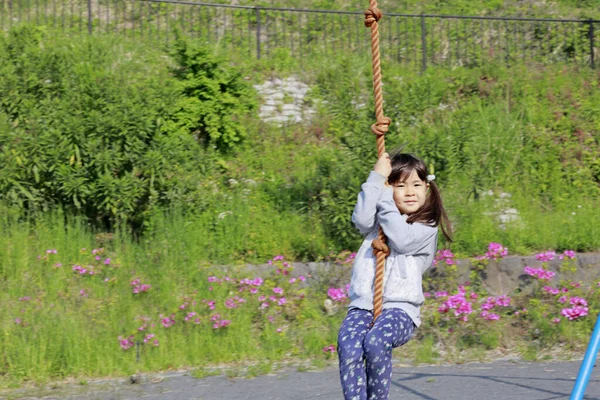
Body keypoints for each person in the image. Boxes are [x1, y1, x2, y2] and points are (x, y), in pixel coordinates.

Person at [337, 152, 452, 400]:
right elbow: (360, 219)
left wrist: (386, 198)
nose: (410, 192)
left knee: (376, 342)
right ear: (390, 188)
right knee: (348, 344)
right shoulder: (380, 220)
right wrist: (377, 178)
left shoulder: (426, 228)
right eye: (400, 185)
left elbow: (401, 239)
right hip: (363, 305)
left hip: (400, 310)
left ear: (427, 189)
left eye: (417, 185)